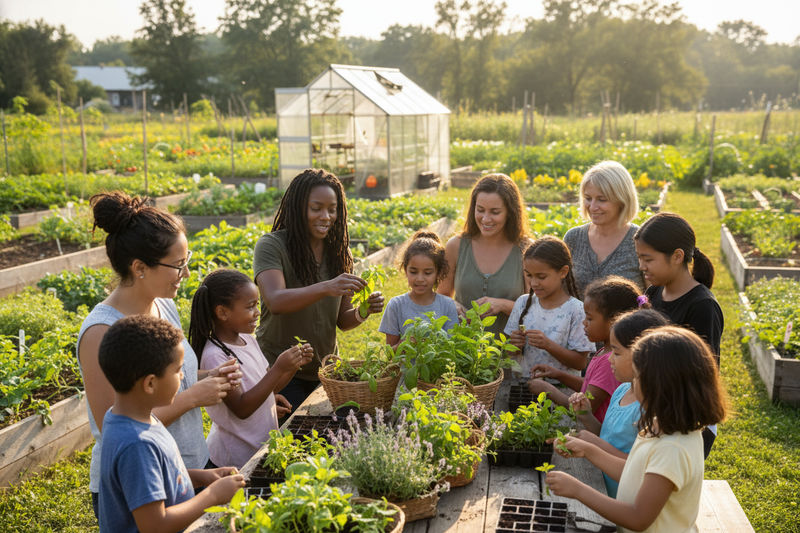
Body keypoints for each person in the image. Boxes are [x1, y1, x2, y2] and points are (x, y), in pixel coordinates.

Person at [78, 192, 241, 519]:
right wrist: (193, 397)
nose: (187, 274)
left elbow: (164, 378)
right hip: (141, 482)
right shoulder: (101, 331)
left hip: (185, 465)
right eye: (178, 265)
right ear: (139, 267)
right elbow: (114, 423)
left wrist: (209, 378)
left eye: (187, 260)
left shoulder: (163, 303)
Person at [545, 327, 727, 532]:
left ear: (660, 386)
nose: (633, 383)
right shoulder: (660, 425)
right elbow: (634, 472)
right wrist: (588, 449)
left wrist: (577, 490)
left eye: (637, 377)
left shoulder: (673, 447)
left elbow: (638, 518)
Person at [98, 315, 245, 533]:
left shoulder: (132, 417)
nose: (183, 375)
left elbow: (158, 477)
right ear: (150, 383)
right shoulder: (137, 444)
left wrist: (199, 477)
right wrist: (212, 496)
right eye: (177, 370)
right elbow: (155, 525)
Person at [254, 169, 385, 412]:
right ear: (298, 208)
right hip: (281, 371)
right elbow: (275, 301)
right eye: (316, 208)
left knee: (335, 432)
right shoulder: (272, 246)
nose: (326, 216)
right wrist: (327, 287)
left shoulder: (339, 253)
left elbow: (342, 321)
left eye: (332, 209)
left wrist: (363, 311)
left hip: (326, 370)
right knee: (292, 440)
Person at [187, 269, 315, 469]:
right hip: (235, 459)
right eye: (250, 307)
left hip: (260, 447)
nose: (257, 312)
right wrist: (278, 368)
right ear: (222, 312)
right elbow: (241, 408)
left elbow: (269, 386)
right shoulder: (216, 356)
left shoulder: (247, 339)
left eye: (257, 305)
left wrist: (291, 367)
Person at [634, 211, 723, 457]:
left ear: (677, 256)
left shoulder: (702, 305)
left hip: (687, 417)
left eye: (648, 259)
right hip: (654, 404)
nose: (642, 266)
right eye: (639, 258)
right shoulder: (654, 292)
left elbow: (706, 371)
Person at [565, 309, 670, 498]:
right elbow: (607, 437)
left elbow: (639, 468)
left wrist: (591, 448)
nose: (610, 359)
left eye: (616, 352)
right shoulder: (622, 390)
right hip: (603, 487)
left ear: (644, 355)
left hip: (626, 500)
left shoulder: (651, 411)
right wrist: (586, 415)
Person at [528, 276, 643, 422]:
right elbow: (592, 386)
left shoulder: (610, 362)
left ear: (614, 321)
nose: (584, 323)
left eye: (589, 318)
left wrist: (548, 391)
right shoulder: (605, 352)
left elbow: (583, 408)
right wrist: (558, 374)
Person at [438, 173, 532, 336]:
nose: (486, 219)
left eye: (495, 212)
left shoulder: (526, 249)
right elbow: (442, 295)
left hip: (510, 352)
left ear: (510, 212)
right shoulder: (456, 246)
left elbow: (536, 308)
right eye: (480, 210)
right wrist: (454, 306)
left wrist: (502, 305)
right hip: (462, 350)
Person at [505, 235, 593, 381]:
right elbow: (510, 354)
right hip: (522, 391)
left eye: (541, 277)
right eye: (529, 275)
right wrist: (514, 346)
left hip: (560, 394)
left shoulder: (576, 310)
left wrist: (548, 345)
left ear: (563, 272)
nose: (533, 283)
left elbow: (580, 362)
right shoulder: (522, 303)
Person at [563, 161, 644, 295]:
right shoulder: (573, 238)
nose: (593, 207)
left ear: (622, 200)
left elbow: (653, 296)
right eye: (588, 198)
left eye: (602, 200)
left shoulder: (640, 240)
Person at [379, 230, 459, 349]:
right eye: (413, 272)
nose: (420, 279)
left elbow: (452, 349)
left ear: (438, 272)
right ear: (405, 270)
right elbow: (389, 353)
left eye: (427, 273)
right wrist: (404, 344)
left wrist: (432, 344)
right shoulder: (396, 305)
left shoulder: (447, 305)